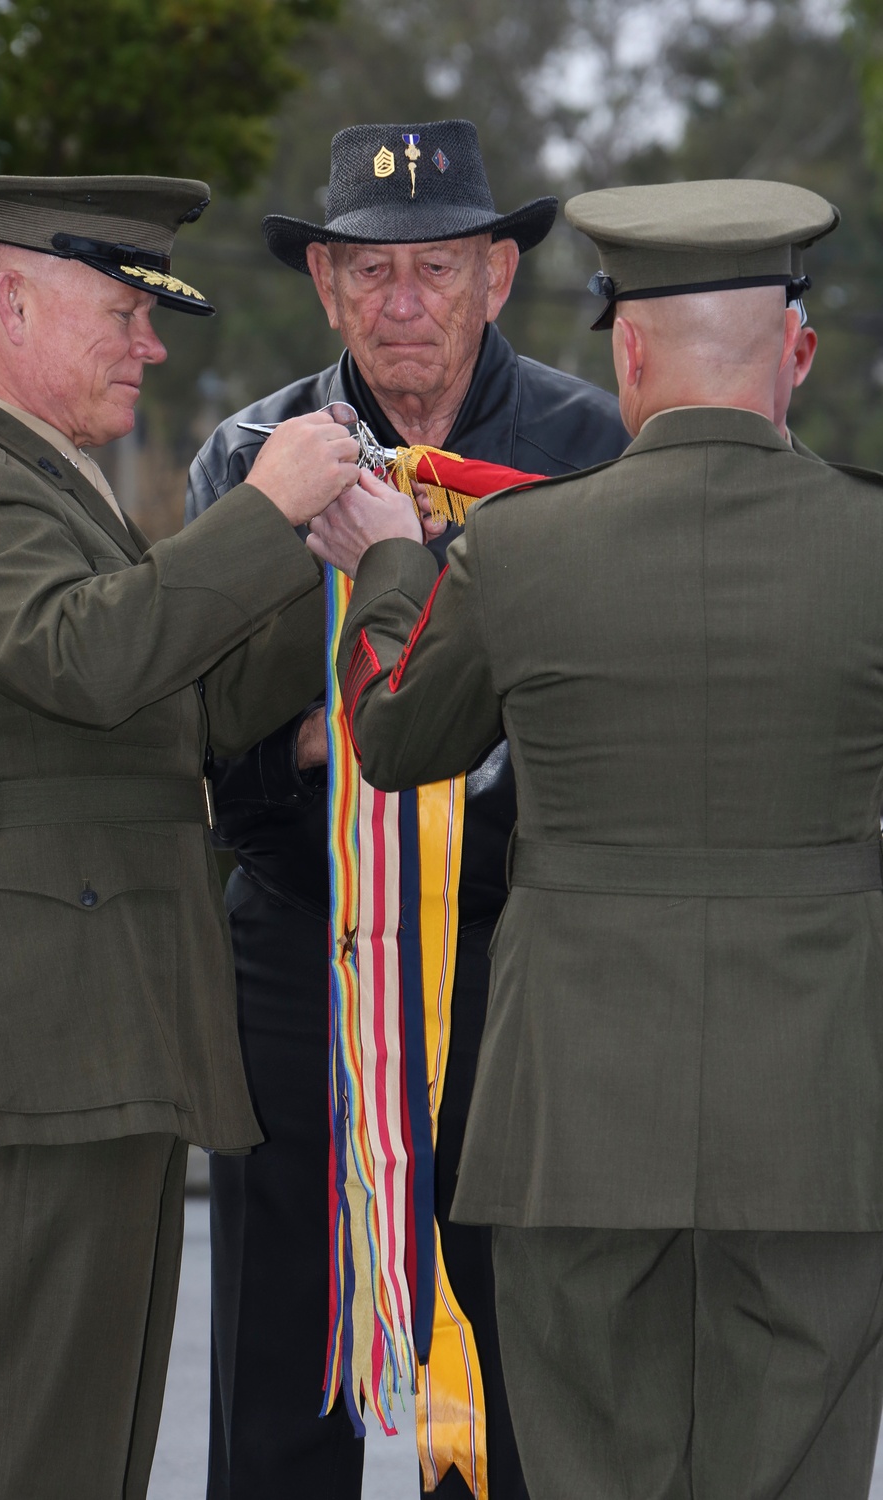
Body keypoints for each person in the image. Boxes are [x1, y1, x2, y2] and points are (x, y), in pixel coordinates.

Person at [324, 176, 883, 1500]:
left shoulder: (521, 550)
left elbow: (398, 743)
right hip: (822, 1110)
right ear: (795, 350)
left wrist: (397, 564)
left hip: (573, 1114)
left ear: (627, 346)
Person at [0, 173, 366, 1500]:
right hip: (42, 1033)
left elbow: (183, 709)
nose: (151, 345)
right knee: (28, 1443)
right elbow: (90, 658)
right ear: (15, 300)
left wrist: (327, 570)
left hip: (97, 1030)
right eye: (125, 311)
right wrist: (260, 513)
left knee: (88, 1443)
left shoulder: (50, 485)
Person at [186, 118, 628, 1500]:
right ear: (322, 284)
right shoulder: (249, 459)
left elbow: (600, 730)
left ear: (499, 276)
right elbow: (214, 741)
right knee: (277, 1354)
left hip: (516, 957)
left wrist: (357, 723)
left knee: (513, 1350)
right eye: (367, 274)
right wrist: (420, 723)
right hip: (297, 953)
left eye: (435, 269)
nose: (401, 304)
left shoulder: (590, 448)